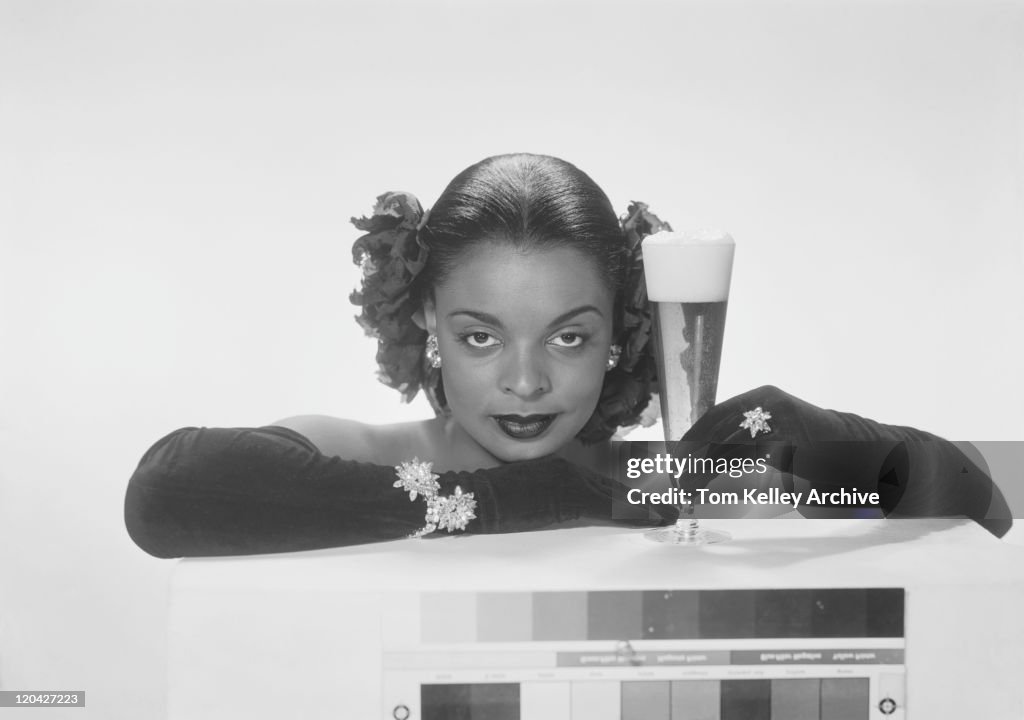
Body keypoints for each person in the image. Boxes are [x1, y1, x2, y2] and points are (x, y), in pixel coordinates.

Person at [124, 153, 1012, 558]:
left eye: (568, 335)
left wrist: (813, 435)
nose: (524, 381)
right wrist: (551, 496)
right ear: (424, 317)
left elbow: (981, 499)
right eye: (480, 336)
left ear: (624, 328)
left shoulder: (666, 483)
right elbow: (168, 490)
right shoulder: (359, 453)